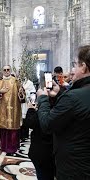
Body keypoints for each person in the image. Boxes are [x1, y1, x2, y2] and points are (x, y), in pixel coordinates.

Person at [37, 45, 90, 179]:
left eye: (75, 64)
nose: (73, 69)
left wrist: (42, 99)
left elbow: (47, 124)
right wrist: (60, 92)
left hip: (74, 166)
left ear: (83, 67)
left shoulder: (73, 97)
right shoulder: (76, 94)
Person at [0, 65, 23, 155]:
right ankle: (4, 146)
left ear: (10, 70)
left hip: (14, 109)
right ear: (2, 71)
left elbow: (22, 95)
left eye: (8, 70)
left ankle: (13, 147)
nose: (6, 71)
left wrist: (21, 92)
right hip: (3, 109)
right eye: (4, 70)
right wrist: (0, 92)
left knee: (13, 129)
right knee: (4, 129)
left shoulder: (16, 81)